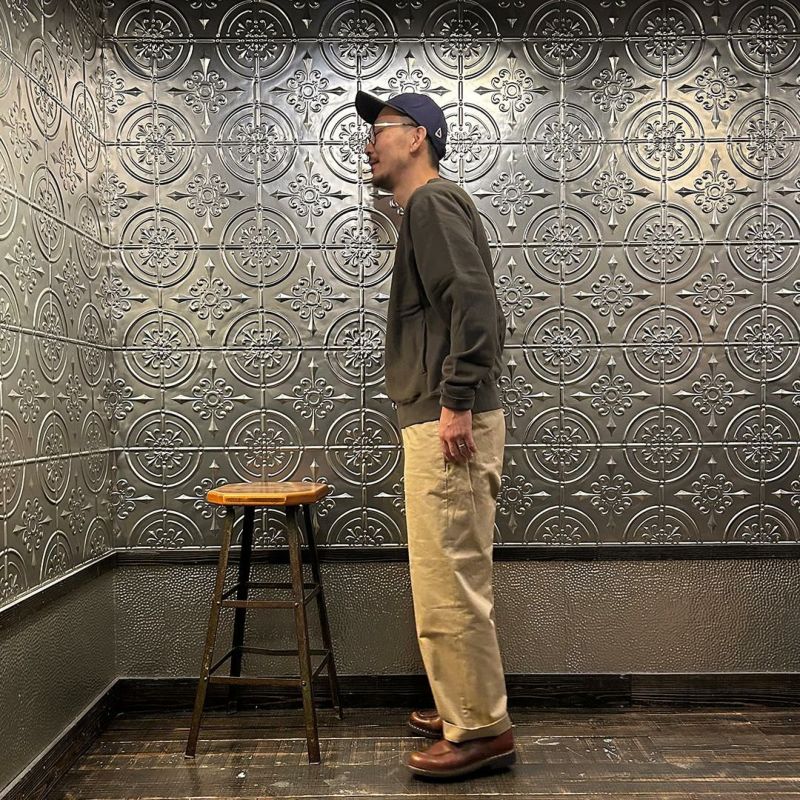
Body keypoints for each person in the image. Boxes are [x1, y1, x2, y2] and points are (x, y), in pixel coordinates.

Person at [356, 90, 515, 780]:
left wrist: (455, 401)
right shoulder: (429, 207)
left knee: (448, 577)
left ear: (417, 136)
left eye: (380, 130)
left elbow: (475, 305)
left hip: (448, 418)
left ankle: (479, 730)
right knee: (448, 572)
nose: (369, 144)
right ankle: (462, 705)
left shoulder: (431, 202)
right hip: (442, 413)